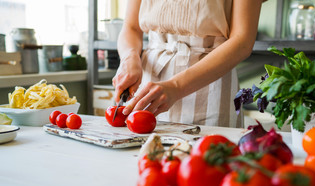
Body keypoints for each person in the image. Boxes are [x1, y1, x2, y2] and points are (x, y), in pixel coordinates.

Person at [112, 0, 266, 128]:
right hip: (149, 81)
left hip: (211, 86)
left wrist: (176, 87)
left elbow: (242, 42)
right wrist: (129, 57)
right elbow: (131, 27)